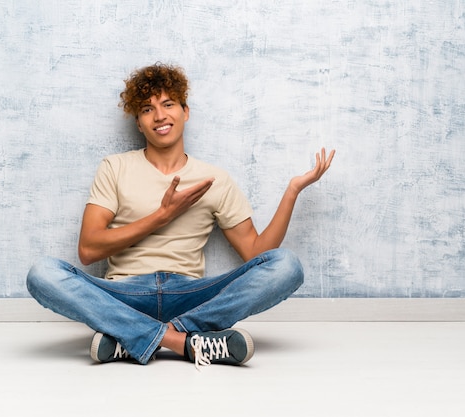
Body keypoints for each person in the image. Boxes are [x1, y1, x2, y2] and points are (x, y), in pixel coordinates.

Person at [26, 63, 335, 369]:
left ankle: (133, 337)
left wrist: (293, 190)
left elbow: (257, 254)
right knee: (42, 273)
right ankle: (183, 341)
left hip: (191, 294)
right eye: (147, 109)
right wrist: (161, 216)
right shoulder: (115, 167)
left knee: (287, 265)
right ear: (139, 123)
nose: (159, 116)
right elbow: (88, 249)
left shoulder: (215, 179)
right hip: (124, 293)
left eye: (168, 104)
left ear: (185, 111)